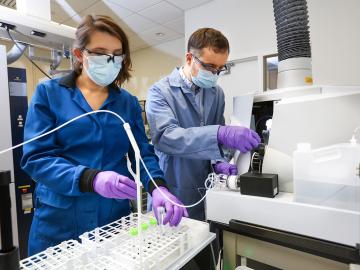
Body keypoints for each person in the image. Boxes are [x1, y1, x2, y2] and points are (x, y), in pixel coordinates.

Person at [21, 15, 187, 256]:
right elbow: (36, 158)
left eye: (117, 54)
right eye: (100, 52)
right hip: (59, 220)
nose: (110, 60)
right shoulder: (49, 94)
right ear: (79, 55)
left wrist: (158, 187)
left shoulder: (127, 103)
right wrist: (91, 179)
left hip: (112, 217)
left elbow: (143, 155)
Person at [146, 28, 260, 269]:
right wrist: (219, 134)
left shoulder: (216, 93)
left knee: (206, 260)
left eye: (220, 69)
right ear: (189, 58)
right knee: (171, 261)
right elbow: (166, 137)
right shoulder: (160, 92)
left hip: (205, 193)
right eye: (209, 67)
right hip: (172, 190)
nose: (215, 74)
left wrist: (220, 160)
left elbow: (215, 139)